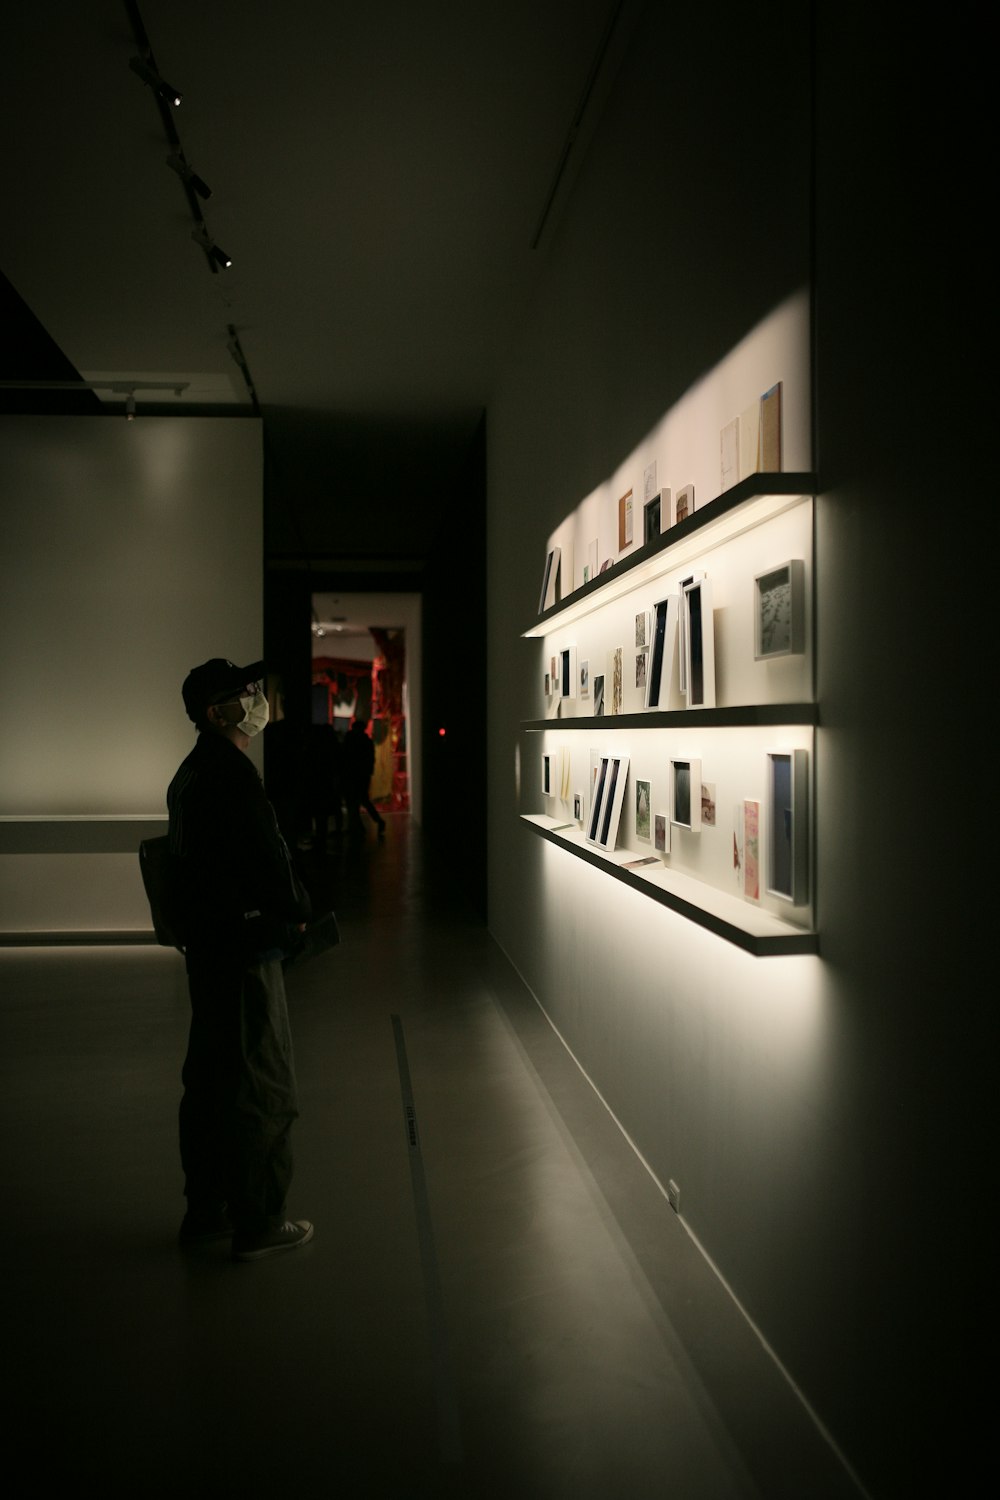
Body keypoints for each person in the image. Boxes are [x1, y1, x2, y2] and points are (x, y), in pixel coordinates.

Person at [167, 658, 315, 1261]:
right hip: (245, 951)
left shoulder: (193, 773)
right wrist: (298, 909)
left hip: (209, 950)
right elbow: (266, 865)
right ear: (214, 712)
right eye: (243, 693)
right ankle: (260, 1221)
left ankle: (208, 1211)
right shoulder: (231, 774)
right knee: (262, 1085)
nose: (257, 698)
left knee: (210, 1081)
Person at [342, 717, 386, 836]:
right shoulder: (366, 741)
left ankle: (359, 827)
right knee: (362, 800)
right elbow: (370, 760)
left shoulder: (351, 740)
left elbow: (346, 757)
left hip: (353, 775)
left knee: (354, 801)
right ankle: (370, 823)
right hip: (362, 775)